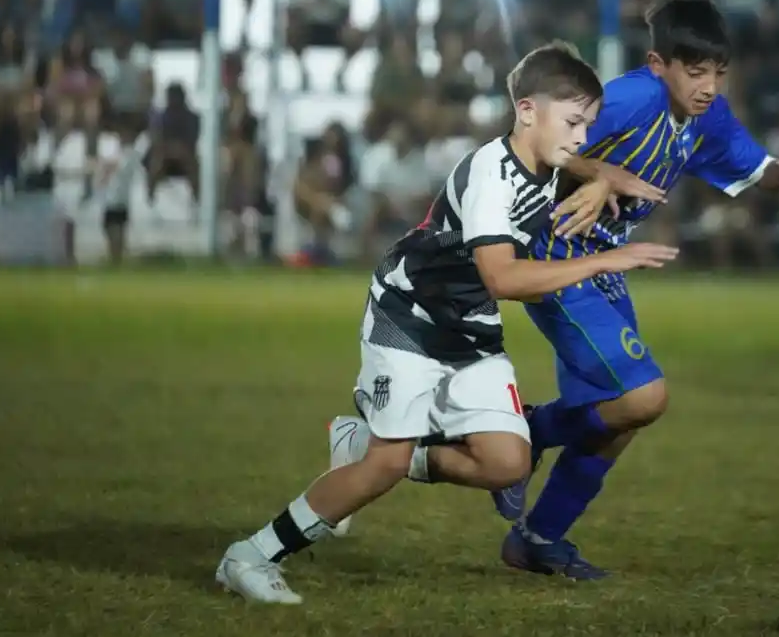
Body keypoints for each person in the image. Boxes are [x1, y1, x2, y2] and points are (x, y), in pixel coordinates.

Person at [215, 42, 680, 604]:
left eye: (588, 124)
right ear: (527, 111)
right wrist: (605, 260)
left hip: (468, 325)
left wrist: (602, 173)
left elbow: (570, 159)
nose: (583, 138)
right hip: (409, 316)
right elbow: (501, 278)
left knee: (507, 462)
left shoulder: (546, 153)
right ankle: (251, 555)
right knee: (384, 466)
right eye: (574, 123)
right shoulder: (491, 175)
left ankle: (360, 440)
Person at [488, 0, 779, 579]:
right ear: (657, 64)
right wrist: (601, 173)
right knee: (643, 395)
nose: (709, 86)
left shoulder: (706, 116)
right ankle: (527, 433)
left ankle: (539, 538)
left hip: (604, 264)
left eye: (718, 73)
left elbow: (756, 171)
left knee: (621, 415)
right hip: (554, 253)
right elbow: (530, 137)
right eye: (695, 72)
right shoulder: (630, 98)